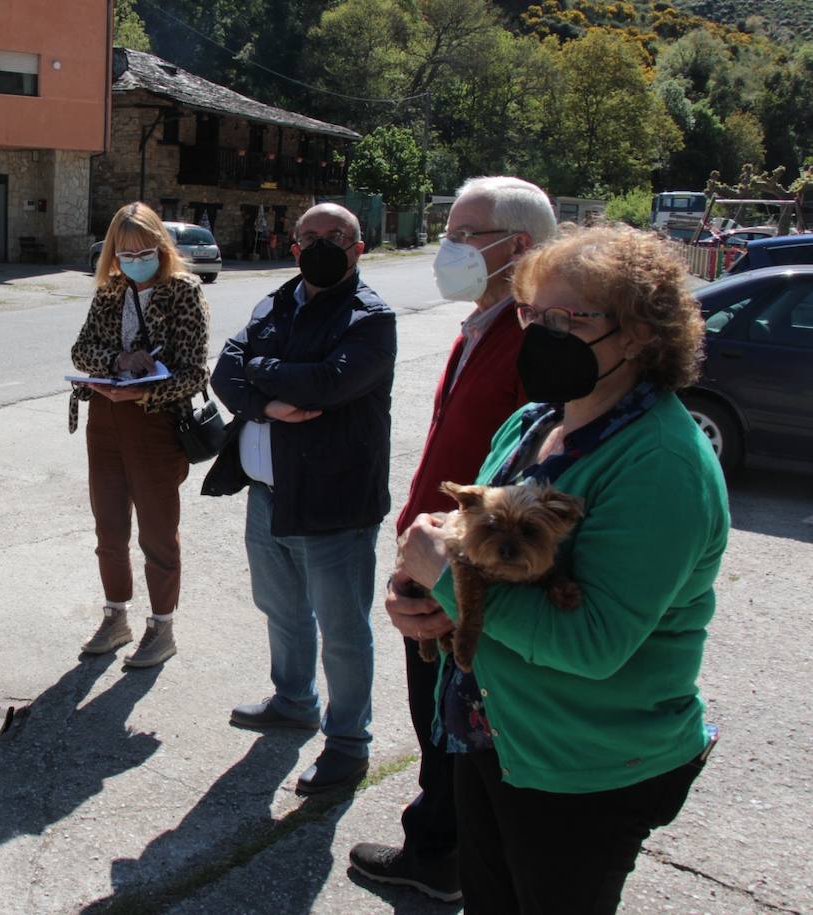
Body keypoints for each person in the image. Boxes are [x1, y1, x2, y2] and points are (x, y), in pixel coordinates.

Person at [389, 224, 727, 914]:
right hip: (497, 732)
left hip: (585, 764)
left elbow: (594, 642)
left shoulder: (661, 462)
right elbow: (475, 549)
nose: (540, 333)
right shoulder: (535, 420)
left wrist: (449, 584)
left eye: (566, 319)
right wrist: (425, 599)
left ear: (637, 334)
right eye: (532, 315)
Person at [350, 176, 557, 902]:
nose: (448, 248)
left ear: (518, 246)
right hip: (433, 562)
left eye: (465, 234)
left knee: (450, 730)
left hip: (461, 579)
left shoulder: (534, 342)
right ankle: (447, 847)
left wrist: (456, 579)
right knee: (438, 723)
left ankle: (436, 854)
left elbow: (531, 484)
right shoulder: (485, 325)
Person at [202, 203, 397, 795]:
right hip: (268, 495)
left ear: (359, 247)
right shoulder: (276, 302)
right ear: (292, 246)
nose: (319, 245)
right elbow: (224, 371)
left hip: (335, 501)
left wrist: (259, 375)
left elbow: (329, 384)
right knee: (282, 610)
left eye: (334, 236)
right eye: (308, 236)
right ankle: (293, 700)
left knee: (341, 629)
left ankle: (347, 743)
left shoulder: (370, 318)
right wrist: (266, 398)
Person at [69, 202, 211, 668]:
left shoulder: (184, 291)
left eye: (143, 250)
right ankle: (116, 618)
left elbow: (195, 371)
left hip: (156, 424)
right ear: (113, 251)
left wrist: (147, 393)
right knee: (109, 527)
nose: (134, 260)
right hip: (106, 422)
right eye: (125, 252)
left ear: (161, 247)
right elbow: (81, 348)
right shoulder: (110, 291)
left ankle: (162, 627)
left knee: (158, 532)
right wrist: (116, 363)